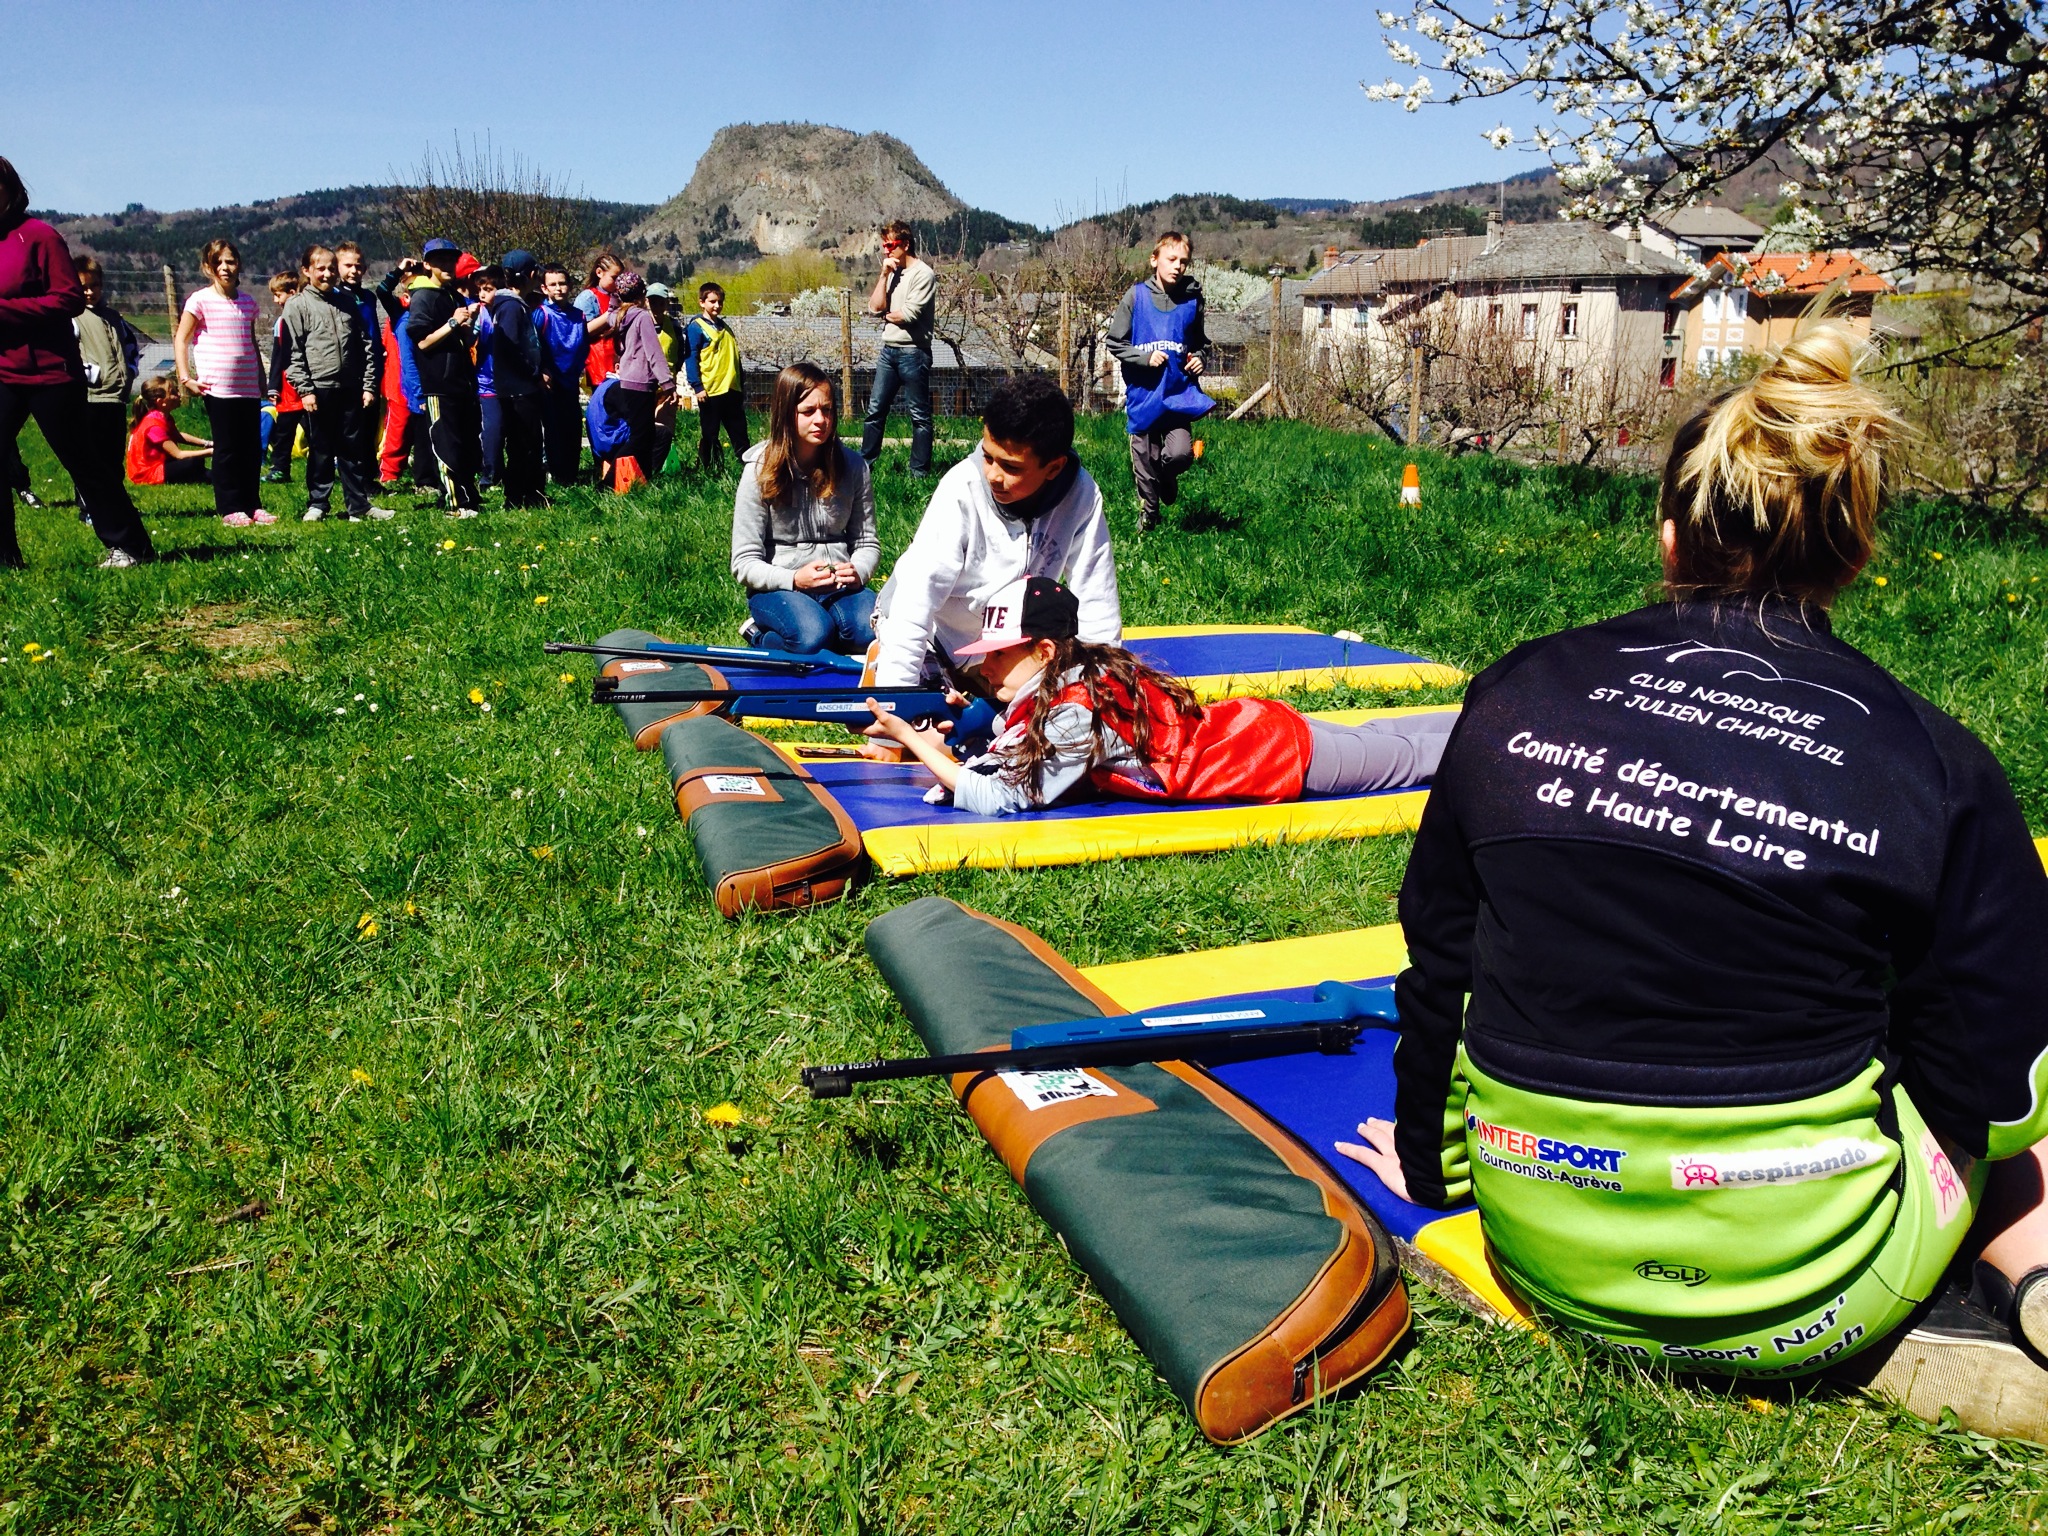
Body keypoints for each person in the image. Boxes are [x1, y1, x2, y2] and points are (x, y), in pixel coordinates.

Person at [1340, 327, 2048, 1438]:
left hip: (1546, 1244)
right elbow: (1992, 1094)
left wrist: (1431, 1162)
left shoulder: (1515, 690)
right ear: (1852, 550)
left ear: (1666, 532)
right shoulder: (1933, 760)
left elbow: (1435, 962)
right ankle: (2015, 1285)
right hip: (1807, 1283)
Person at [865, 574, 1451, 816]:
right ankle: (1486, 717)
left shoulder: (1073, 712)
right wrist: (963, 730)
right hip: (1254, 730)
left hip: (1269, 757)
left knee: (1411, 760)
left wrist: (919, 746)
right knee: (1386, 740)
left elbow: (999, 800)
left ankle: (1503, 736)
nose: (985, 667)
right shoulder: (1077, 676)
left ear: (1043, 653)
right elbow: (1018, 732)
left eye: (997, 654)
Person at [870, 374, 1119, 689]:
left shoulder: (1080, 494)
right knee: (930, 725)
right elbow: (916, 598)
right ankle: (892, 666)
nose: (993, 475)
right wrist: (898, 697)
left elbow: (1097, 598)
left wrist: (1104, 691)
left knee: (1049, 722)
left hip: (1005, 643)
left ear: (1053, 468)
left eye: (1011, 467)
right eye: (988, 457)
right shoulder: (962, 488)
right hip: (935, 633)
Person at [0, 154, 156, 569]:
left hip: (51, 371)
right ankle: (5, 557)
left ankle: (131, 546)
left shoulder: (38, 237)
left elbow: (68, 298)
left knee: (82, 460)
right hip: (2, 370)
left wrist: (7, 311)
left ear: (10, 190)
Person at [730, 362, 877, 655]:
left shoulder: (854, 467)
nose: (820, 420)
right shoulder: (759, 470)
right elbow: (744, 562)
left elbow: (866, 541)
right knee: (812, 637)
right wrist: (794, 580)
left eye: (827, 410)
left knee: (872, 633)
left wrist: (858, 571)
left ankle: (830, 634)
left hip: (838, 586)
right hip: (779, 587)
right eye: (808, 412)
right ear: (787, 414)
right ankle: (759, 636)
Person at [1108, 231, 1212, 531]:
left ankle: (1168, 477)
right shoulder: (1137, 296)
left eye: (1184, 261)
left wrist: (1200, 358)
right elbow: (1115, 342)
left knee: (1178, 454)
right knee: (1144, 459)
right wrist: (1144, 358)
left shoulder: (1192, 301)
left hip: (1178, 394)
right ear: (1155, 260)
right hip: (1144, 394)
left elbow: (1201, 343)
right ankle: (1149, 515)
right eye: (1171, 259)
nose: (1178, 266)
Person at [279, 244, 389, 522]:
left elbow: (365, 344)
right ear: (306, 271)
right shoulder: (297, 306)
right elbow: (292, 353)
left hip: (350, 387)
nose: (328, 274)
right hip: (318, 388)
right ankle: (318, 502)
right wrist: (305, 390)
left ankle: (359, 505)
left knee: (352, 449)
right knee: (322, 448)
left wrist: (368, 384)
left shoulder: (347, 302)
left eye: (331, 268)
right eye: (321, 269)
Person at [174, 236, 270, 527]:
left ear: (238, 264)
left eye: (230, 261)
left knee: (251, 448)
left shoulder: (248, 303)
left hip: (248, 387)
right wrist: (185, 377)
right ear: (208, 267)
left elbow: (251, 343)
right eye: (218, 262)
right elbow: (182, 338)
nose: (225, 267)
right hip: (218, 388)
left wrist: (262, 379)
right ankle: (230, 506)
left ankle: (252, 504)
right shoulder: (200, 300)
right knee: (227, 448)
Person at [405, 238, 484, 518]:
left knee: (467, 442)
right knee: (446, 443)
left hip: (462, 380)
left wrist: (468, 320)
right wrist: (452, 322)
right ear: (427, 264)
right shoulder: (423, 296)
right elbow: (422, 342)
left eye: (451, 260)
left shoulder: (453, 295)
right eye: (440, 260)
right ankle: (454, 504)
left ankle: (468, 494)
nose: (447, 265)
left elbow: (464, 338)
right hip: (439, 382)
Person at [859, 220, 936, 477]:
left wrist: (883, 315)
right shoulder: (891, 273)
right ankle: (863, 469)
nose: (886, 250)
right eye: (884, 245)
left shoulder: (924, 274)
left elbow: (908, 315)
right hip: (888, 352)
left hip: (914, 353)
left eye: (890, 245)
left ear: (905, 244)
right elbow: (874, 306)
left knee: (919, 417)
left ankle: (919, 474)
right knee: (875, 412)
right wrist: (883, 276)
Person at [72, 254, 140, 527]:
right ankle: (89, 506)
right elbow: (67, 353)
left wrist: (130, 373)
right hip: (90, 397)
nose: (89, 292)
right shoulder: (72, 317)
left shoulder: (114, 317)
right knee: (91, 456)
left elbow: (131, 348)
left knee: (113, 456)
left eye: (94, 285)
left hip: (116, 397)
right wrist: (88, 375)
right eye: (83, 287)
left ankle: (114, 503)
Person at [481, 250, 545, 508]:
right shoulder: (510, 307)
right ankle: (521, 496)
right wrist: (532, 372)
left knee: (524, 443)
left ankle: (526, 493)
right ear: (530, 274)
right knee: (524, 445)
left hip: (515, 385)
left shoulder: (511, 305)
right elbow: (508, 347)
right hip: (518, 388)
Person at [373, 257, 434, 493]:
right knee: (397, 432)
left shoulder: (430, 312)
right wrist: (400, 270)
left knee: (423, 433)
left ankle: (425, 474)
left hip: (424, 382)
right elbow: (382, 291)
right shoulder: (400, 313)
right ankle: (389, 473)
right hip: (399, 384)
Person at [607, 270, 672, 482]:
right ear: (642, 294)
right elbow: (654, 352)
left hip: (626, 380)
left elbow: (609, 314)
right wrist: (667, 382)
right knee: (640, 436)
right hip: (642, 382)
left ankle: (642, 479)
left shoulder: (618, 315)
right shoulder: (642, 317)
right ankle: (608, 482)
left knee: (644, 435)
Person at [534, 262, 595, 486]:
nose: (558, 288)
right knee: (553, 429)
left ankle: (570, 473)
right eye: (553, 285)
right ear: (544, 288)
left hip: (571, 380)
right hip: (550, 381)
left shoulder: (578, 316)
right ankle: (555, 471)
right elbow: (533, 346)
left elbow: (583, 345)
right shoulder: (541, 314)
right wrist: (541, 370)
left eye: (562, 283)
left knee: (572, 428)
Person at [333, 241, 385, 498]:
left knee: (370, 425)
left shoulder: (368, 297)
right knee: (353, 426)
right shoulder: (335, 296)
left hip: (373, 365)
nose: (354, 270)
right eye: (348, 265)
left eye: (358, 265)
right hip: (350, 368)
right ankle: (356, 479)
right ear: (337, 266)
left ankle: (369, 476)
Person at [684, 280, 748, 472]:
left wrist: (741, 384)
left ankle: (746, 468)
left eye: (719, 302)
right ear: (701, 302)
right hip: (710, 391)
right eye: (712, 301)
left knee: (740, 433)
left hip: (731, 389)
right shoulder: (696, 327)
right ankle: (708, 468)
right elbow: (691, 357)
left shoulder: (726, 328)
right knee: (710, 433)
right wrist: (697, 386)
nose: (717, 306)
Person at [125, 375, 211, 485]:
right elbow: (178, 454)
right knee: (193, 462)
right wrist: (213, 452)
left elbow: (177, 435)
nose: (179, 395)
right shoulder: (153, 426)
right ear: (161, 402)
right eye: (173, 393)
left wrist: (207, 443)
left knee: (195, 463)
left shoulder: (164, 417)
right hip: (147, 473)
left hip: (160, 464)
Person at [263, 271, 304, 483]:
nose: (275, 300)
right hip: (289, 387)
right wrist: (274, 386)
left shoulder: (306, 315)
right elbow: (277, 355)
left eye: (278, 295)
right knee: (285, 429)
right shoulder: (281, 322)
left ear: (292, 293)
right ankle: (280, 468)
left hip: (307, 383)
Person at [575, 250, 622, 387]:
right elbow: (583, 330)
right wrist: (610, 314)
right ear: (599, 273)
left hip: (616, 359)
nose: (617, 283)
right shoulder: (588, 297)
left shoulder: (617, 297)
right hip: (597, 361)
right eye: (614, 278)